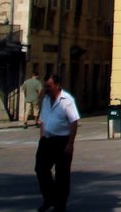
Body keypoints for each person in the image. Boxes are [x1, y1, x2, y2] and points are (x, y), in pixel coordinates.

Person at [35, 72, 80, 212]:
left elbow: (74, 122)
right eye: (46, 86)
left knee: (62, 174)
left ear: (57, 85)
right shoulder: (46, 100)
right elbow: (42, 120)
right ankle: (49, 198)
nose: (47, 89)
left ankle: (60, 204)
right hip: (46, 141)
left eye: (49, 86)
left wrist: (70, 144)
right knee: (41, 169)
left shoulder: (67, 100)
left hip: (62, 141)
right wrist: (41, 137)